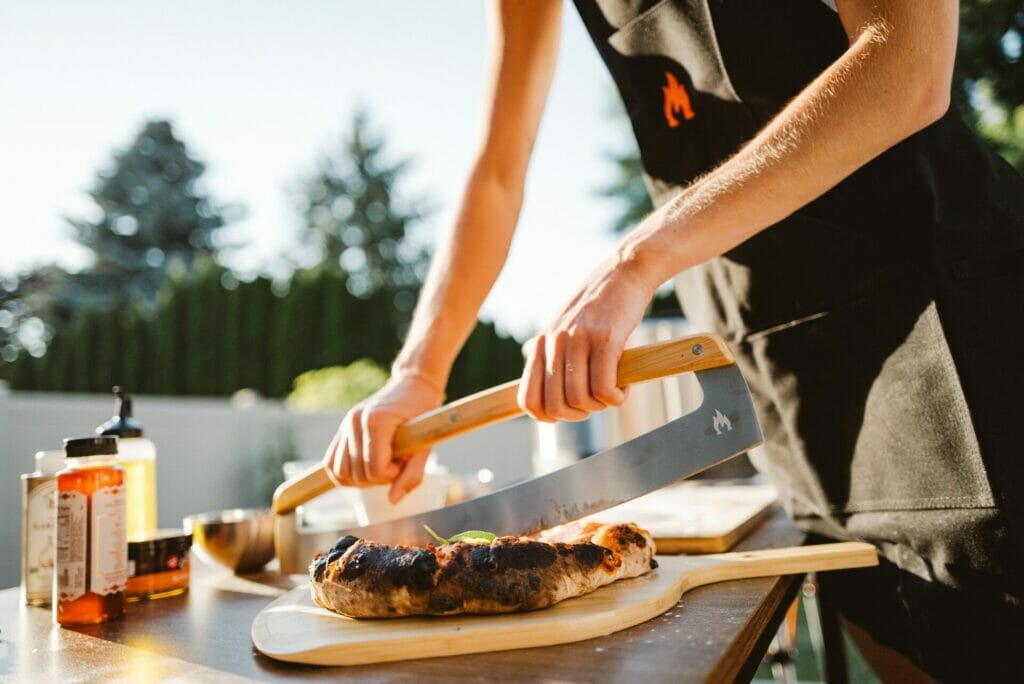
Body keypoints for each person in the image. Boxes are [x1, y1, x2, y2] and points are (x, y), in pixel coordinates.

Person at [323, 1, 1024, 678]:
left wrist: (639, 260)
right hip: (770, 363)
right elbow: (499, 171)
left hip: (941, 314)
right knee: (891, 626)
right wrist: (419, 373)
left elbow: (908, 63)